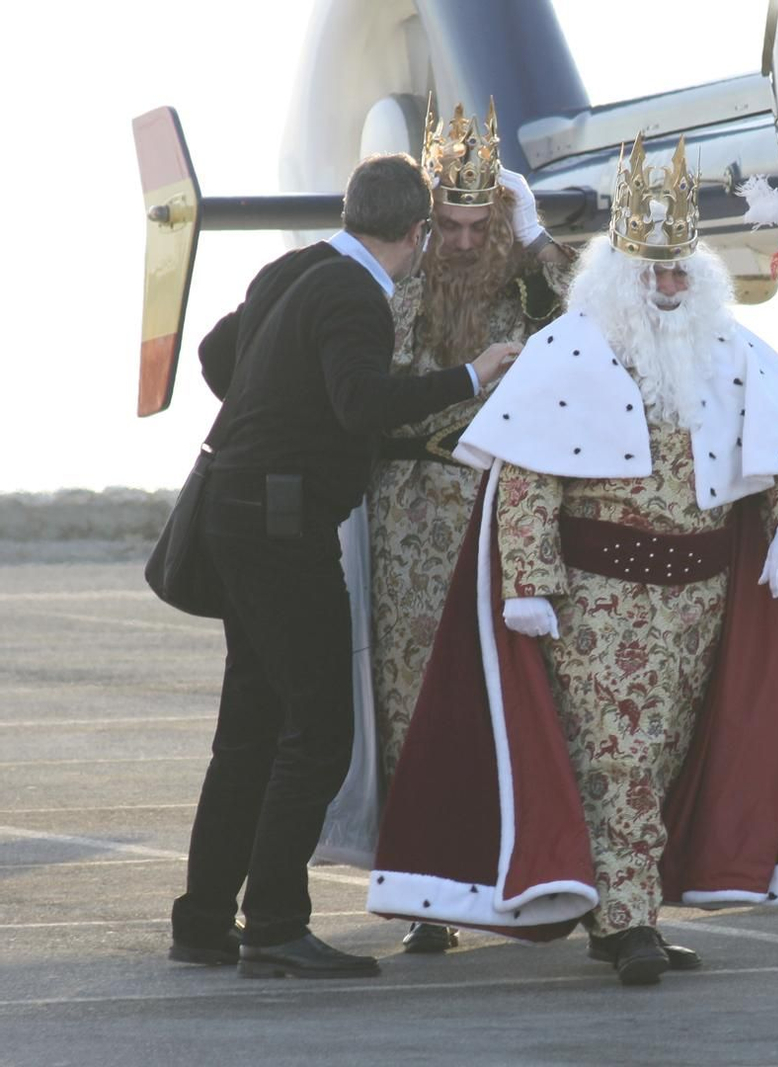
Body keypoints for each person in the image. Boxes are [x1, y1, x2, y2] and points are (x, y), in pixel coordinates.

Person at [367, 134, 778, 986]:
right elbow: (525, 480)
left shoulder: (729, 351)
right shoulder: (566, 354)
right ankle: (627, 925)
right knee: (615, 754)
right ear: (619, 277)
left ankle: (629, 907)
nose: (665, 288)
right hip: (599, 603)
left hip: (699, 606)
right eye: (650, 274)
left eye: (677, 273)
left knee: (666, 755)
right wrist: (530, 584)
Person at [167, 153, 521, 979]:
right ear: (417, 232)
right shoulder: (358, 295)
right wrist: (471, 374)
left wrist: (283, 404)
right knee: (319, 729)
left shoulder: (290, 268)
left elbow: (221, 356)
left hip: (236, 505)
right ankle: (276, 925)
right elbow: (362, 402)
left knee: (250, 727)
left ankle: (205, 918)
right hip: (281, 527)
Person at [359, 99, 570, 957]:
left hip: (508, 512)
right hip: (415, 514)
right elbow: (381, 395)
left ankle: (530, 868)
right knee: (415, 698)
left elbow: (587, 320)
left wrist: (537, 234)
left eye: (484, 226)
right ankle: (425, 893)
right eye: (451, 225)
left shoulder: (522, 277)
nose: (467, 243)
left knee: (521, 689)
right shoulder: (398, 286)